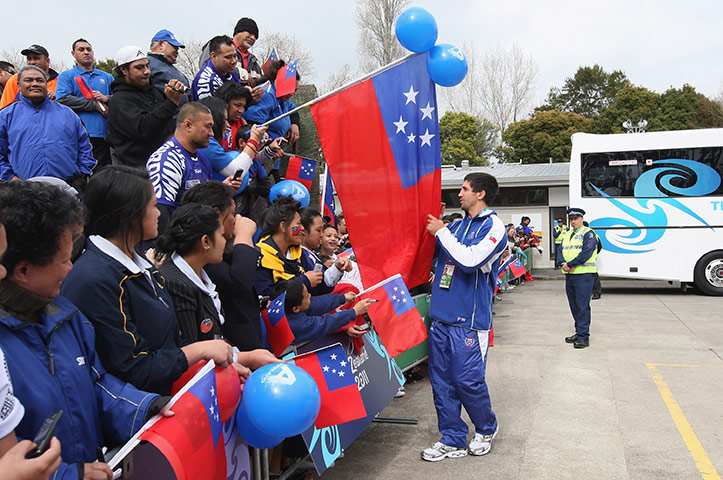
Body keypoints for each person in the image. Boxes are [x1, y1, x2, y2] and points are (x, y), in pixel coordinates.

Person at [0, 180, 171, 479]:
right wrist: (70, 475)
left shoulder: (66, 315)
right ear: (23, 270)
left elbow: (97, 383)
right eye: (64, 260)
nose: (71, 268)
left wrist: (146, 407)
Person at [61, 166, 237, 395]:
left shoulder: (140, 264)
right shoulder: (95, 280)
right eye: (153, 206)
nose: (159, 214)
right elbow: (135, 369)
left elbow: (167, 342)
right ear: (131, 215)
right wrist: (200, 350)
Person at [422, 172, 507, 462]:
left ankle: (486, 428)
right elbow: (433, 254)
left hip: (469, 322)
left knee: (468, 381)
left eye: (464, 188)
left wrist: (442, 231)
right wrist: (436, 228)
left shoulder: (493, 226)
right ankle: (453, 437)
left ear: (480, 194)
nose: (459, 193)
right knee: (442, 382)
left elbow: (470, 261)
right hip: (441, 318)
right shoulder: (457, 225)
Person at [0, 66, 96, 183]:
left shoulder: (68, 114)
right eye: (29, 80)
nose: (35, 84)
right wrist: (12, 179)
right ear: (19, 85)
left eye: (40, 80)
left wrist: (80, 176)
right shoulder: (6, 116)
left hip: (67, 188)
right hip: (23, 191)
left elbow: (84, 147)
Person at [107, 45, 185, 167]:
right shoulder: (120, 101)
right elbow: (145, 129)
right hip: (138, 171)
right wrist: (171, 102)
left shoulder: (157, 92)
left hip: (168, 162)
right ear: (124, 70)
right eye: (139, 67)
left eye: (147, 65)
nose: (147, 71)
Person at [56, 38, 114, 169]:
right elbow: (63, 99)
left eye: (89, 49)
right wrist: (93, 105)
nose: (86, 52)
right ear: (73, 54)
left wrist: (106, 98)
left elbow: (119, 98)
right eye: (81, 50)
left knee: (104, 175)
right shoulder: (67, 76)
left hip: (104, 136)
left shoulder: (107, 77)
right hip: (78, 136)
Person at [255, 195, 320, 297]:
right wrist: (303, 281)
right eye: (298, 224)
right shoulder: (260, 257)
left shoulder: (298, 253)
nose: (303, 228)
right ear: (283, 226)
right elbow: (267, 296)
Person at [272, 278, 371, 344]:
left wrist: (342, 298)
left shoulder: (286, 305)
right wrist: (354, 312)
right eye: (307, 297)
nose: (310, 296)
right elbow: (323, 324)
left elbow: (317, 303)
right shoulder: (293, 325)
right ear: (296, 309)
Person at [558, 208, 598, 349]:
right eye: (571, 219)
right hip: (570, 275)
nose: (573, 221)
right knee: (574, 305)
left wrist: (571, 264)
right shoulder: (568, 234)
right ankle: (579, 331)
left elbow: (587, 252)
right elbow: (560, 250)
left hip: (583, 275)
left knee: (582, 306)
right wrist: (562, 263)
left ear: (582, 219)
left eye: (576, 218)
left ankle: (583, 337)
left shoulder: (589, 233)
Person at [299, 207, 351, 295]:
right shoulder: (297, 256)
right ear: (304, 230)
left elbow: (324, 282)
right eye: (318, 230)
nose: (321, 235)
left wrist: (337, 268)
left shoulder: (310, 254)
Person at [198, 17, 262, 81]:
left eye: (255, 36)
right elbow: (205, 67)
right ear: (237, 32)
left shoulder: (254, 62)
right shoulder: (217, 44)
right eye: (250, 33)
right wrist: (239, 73)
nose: (253, 38)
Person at [147, 29, 190, 108]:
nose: (177, 51)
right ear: (160, 44)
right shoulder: (146, 65)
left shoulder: (174, 69)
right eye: (174, 47)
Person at [192, 35, 240, 101]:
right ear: (214, 56)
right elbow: (210, 110)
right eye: (228, 57)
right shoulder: (206, 82)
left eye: (235, 56)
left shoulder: (231, 71)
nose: (233, 61)